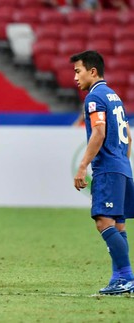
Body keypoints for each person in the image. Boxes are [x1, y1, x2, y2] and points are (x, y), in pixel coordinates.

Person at [71, 50, 134, 295]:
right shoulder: (114, 96)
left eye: (78, 71)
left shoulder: (94, 97)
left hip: (108, 168)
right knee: (117, 224)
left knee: (103, 221)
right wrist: (121, 161)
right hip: (122, 167)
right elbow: (127, 136)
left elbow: (98, 132)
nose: (75, 77)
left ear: (92, 71)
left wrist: (82, 165)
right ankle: (120, 277)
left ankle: (127, 276)